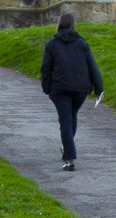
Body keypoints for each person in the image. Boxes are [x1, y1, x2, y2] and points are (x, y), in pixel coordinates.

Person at [38, 11, 104, 171]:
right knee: (70, 116)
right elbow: (92, 66)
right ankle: (67, 147)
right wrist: (99, 88)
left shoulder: (52, 44)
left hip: (60, 89)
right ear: (73, 25)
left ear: (59, 24)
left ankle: (69, 158)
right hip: (80, 89)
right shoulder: (81, 43)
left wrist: (47, 88)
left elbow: (45, 68)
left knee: (66, 120)